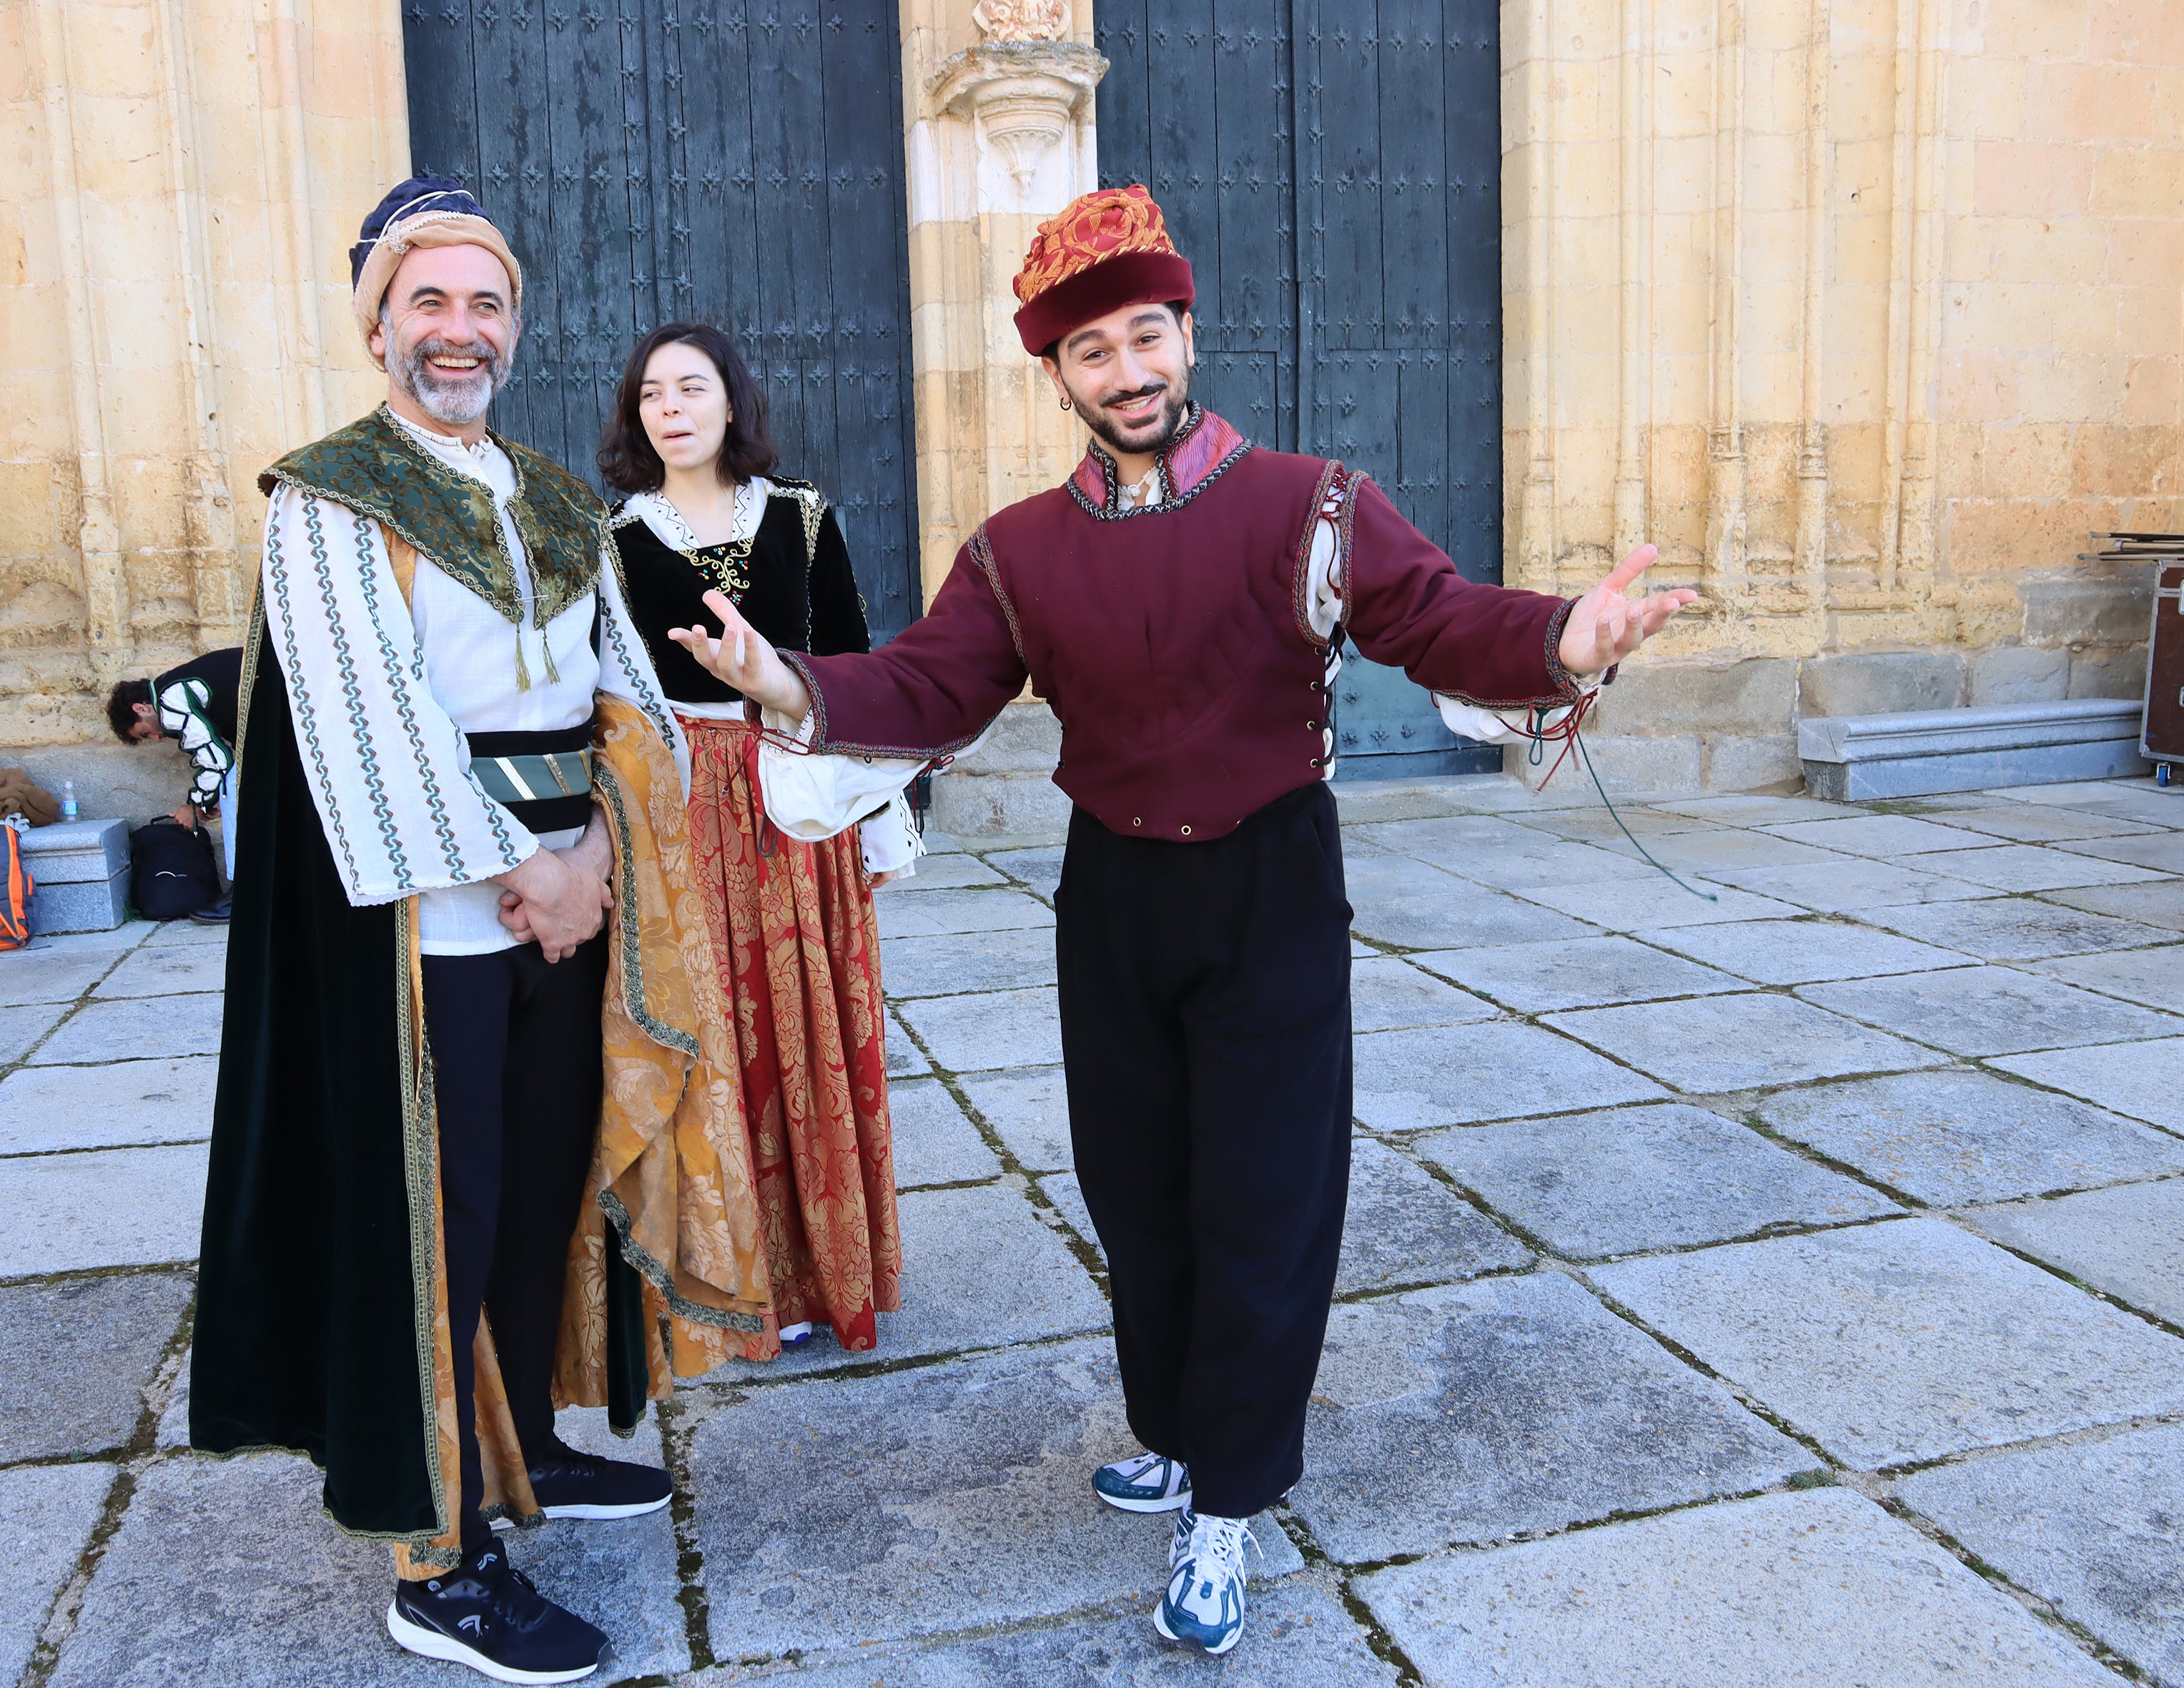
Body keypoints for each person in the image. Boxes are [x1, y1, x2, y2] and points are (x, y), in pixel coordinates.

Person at [673, 184, 1696, 1657]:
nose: (1128, 372)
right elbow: (934, 680)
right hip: (1113, 895)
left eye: (1145, 336)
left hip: (1270, 883)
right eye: (1092, 353)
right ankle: (1171, 1426)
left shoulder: (1311, 503)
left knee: (1262, 1199)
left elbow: (1433, 615)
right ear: (1059, 376)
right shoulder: (1018, 548)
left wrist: (1559, 637)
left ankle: (1229, 1496)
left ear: (1184, 333)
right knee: (1136, 1180)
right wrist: (794, 689)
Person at [190, 177, 767, 1686]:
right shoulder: (328, 497)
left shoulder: (558, 497)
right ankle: (436, 1555)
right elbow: (359, 712)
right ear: (377, 322)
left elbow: (625, 685)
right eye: (428, 302)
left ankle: (521, 1454)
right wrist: (529, 863)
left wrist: (597, 857)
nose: (459, 330)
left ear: (515, 323)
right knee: (438, 1223)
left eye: (484, 302)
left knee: (535, 1193)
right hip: (428, 930)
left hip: (566, 911)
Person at [597, 322, 914, 1359]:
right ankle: (732, 1285)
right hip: (681, 803)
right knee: (712, 1041)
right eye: (652, 394)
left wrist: (871, 812)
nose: (672, 408)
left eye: (692, 387)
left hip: (792, 796)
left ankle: (827, 1274)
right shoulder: (615, 541)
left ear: (732, 402)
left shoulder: (801, 519)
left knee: (808, 1025)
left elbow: (853, 663)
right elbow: (605, 695)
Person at [107, 646, 242, 921]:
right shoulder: (173, 684)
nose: (157, 739)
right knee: (234, 788)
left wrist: (194, 806)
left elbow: (216, 758)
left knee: (231, 784)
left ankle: (244, 891)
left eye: (145, 732)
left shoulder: (169, 700)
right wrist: (212, 799)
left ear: (141, 708)